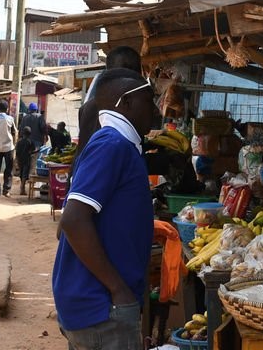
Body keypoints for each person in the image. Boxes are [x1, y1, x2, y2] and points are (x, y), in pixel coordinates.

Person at [52, 68, 160, 349]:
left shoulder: (117, 145)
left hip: (97, 303)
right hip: (101, 307)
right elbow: (73, 221)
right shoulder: (112, 145)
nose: (156, 110)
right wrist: (118, 289)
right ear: (125, 103)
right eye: (149, 100)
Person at [73, 46, 141, 172]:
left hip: (83, 175)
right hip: (97, 180)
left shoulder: (89, 106)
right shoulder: (123, 108)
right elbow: (116, 155)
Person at [15, 126, 35, 195]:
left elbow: (17, 152)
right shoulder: (30, 142)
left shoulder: (19, 141)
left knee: (21, 173)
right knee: (25, 174)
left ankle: (22, 187)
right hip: (27, 160)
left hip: (20, 160)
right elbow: (32, 151)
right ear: (30, 134)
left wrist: (17, 161)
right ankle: (22, 188)